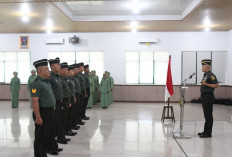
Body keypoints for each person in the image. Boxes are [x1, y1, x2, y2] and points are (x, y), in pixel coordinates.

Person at [30, 59, 56, 157]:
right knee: (40, 137)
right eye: (46, 69)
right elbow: (34, 101)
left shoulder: (46, 82)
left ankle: (43, 154)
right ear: (39, 71)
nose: (49, 71)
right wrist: (38, 117)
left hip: (50, 112)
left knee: (46, 136)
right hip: (43, 113)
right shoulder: (36, 83)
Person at [198, 59, 219, 138]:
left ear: (208, 66)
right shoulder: (205, 75)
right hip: (204, 96)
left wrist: (206, 84)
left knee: (208, 115)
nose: (202, 67)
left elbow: (216, 85)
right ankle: (205, 131)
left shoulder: (211, 75)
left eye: (203, 66)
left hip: (208, 96)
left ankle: (208, 133)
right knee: (206, 115)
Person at [48, 57, 63, 155]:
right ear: (53, 66)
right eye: (58, 65)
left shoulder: (57, 76)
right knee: (51, 127)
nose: (59, 66)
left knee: (56, 126)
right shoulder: (50, 78)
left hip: (58, 103)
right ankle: (50, 147)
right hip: (53, 105)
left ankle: (54, 146)